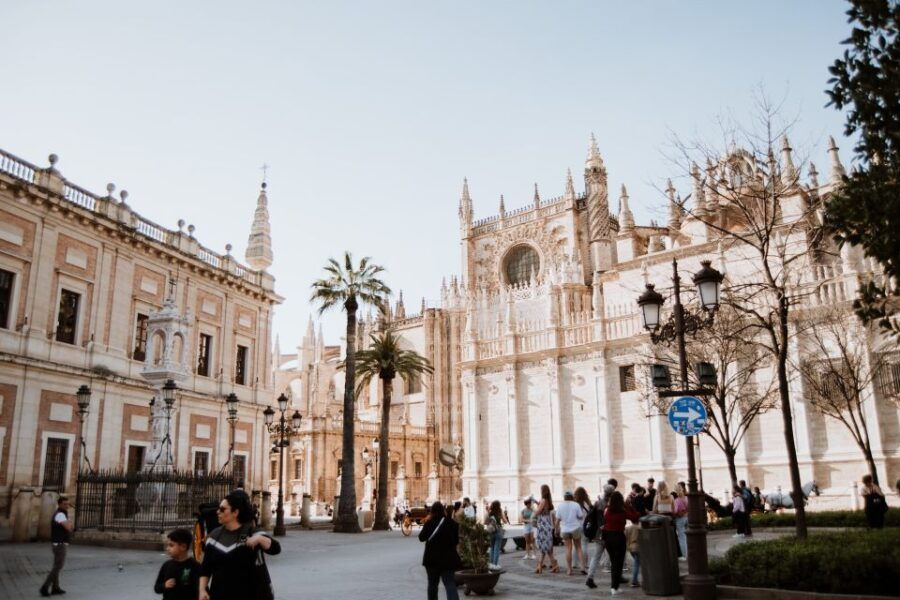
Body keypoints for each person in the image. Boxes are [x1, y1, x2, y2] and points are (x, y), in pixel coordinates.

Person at [199, 490, 281, 600]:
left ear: (235, 512)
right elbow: (206, 569)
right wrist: (202, 590)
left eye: (222, 509)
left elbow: (276, 549)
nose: (218, 512)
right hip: (219, 594)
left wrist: (260, 539)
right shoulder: (214, 537)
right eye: (219, 508)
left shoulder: (251, 533)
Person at [419, 501, 461, 600]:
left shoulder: (429, 523)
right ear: (443, 510)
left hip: (431, 560)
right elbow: (456, 541)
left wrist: (427, 521)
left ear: (432, 511)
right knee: (450, 584)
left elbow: (421, 538)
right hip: (448, 560)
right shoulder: (453, 524)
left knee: (432, 585)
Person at [602, 491, 639, 596]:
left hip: (608, 538)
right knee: (618, 564)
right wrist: (628, 506)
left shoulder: (608, 511)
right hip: (618, 537)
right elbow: (634, 517)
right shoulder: (622, 511)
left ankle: (614, 586)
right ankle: (614, 587)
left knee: (614, 562)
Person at [40, 496, 73, 597]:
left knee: (57, 566)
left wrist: (68, 522)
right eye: (64, 504)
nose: (67, 506)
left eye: (68, 504)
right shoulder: (60, 515)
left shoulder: (61, 514)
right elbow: (68, 527)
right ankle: (45, 587)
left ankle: (55, 588)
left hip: (59, 543)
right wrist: (70, 521)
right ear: (59, 504)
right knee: (58, 566)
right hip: (59, 544)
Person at [154, 528, 200, 600]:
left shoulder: (195, 566)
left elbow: (202, 590)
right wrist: (164, 585)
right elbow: (157, 588)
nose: (167, 548)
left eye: (171, 545)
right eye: (167, 545)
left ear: (183, 547)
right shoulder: (166, 565)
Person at [585, 484, 613, 589]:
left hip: (598, 534)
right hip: (607, 533)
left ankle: (590, 577)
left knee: (596, 557)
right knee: (614, 556)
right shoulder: (609, 504)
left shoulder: (598, 502)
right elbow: (602, 523)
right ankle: (617, 577)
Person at [555, 490, 586, 576]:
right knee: (578, 548)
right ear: (572, 496)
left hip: (565, 529)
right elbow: (580, 516)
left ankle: (569, 569)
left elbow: (557, 520)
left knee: (568, 549)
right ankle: (582, 567)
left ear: (564, 497)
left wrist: (556, 529)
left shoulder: (560, 505)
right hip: (575, 528)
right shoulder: (575, 504)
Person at [534, 484, 559, 574]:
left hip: (543, 525)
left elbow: (538, 512)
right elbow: (543, 508)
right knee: (547, 548)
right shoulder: (548, 500)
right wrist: (538, 503)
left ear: (542, 491)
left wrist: (533, 512)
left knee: (544, 548)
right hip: (546, 524)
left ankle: (541, 566)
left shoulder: (543, 500)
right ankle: (544, 566)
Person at [574, 487, 593, 575]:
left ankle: (574, 563)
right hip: (585, 526)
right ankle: (585, 563)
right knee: (584, 544)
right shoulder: (587, 503)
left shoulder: (574, 504)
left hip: (576, 526)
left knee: (576, 545)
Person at [485, 500, 505, 569]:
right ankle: (495, 565)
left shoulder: (490, 512)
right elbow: (505, 521)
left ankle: (491, 564)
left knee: (492, 548)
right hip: (498, 531)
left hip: (491, 531)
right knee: (496, 548)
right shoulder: (500, 511)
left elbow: (486, 522)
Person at [673, 482, 688, 559]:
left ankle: (685, 555)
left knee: (682, 537)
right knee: (688, 536)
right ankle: (690, 553)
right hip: (687, 518)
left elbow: (675, 511)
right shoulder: (686, 498)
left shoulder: (676, 501)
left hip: (680, 519)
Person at [625, 520, 641, 588]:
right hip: (637, 547)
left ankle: (635, 581)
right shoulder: (639, 528)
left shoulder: (628, 528)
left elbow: (625, 537)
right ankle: (634, 581)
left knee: (637, 563)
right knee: (636, 564)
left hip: (631, 548)